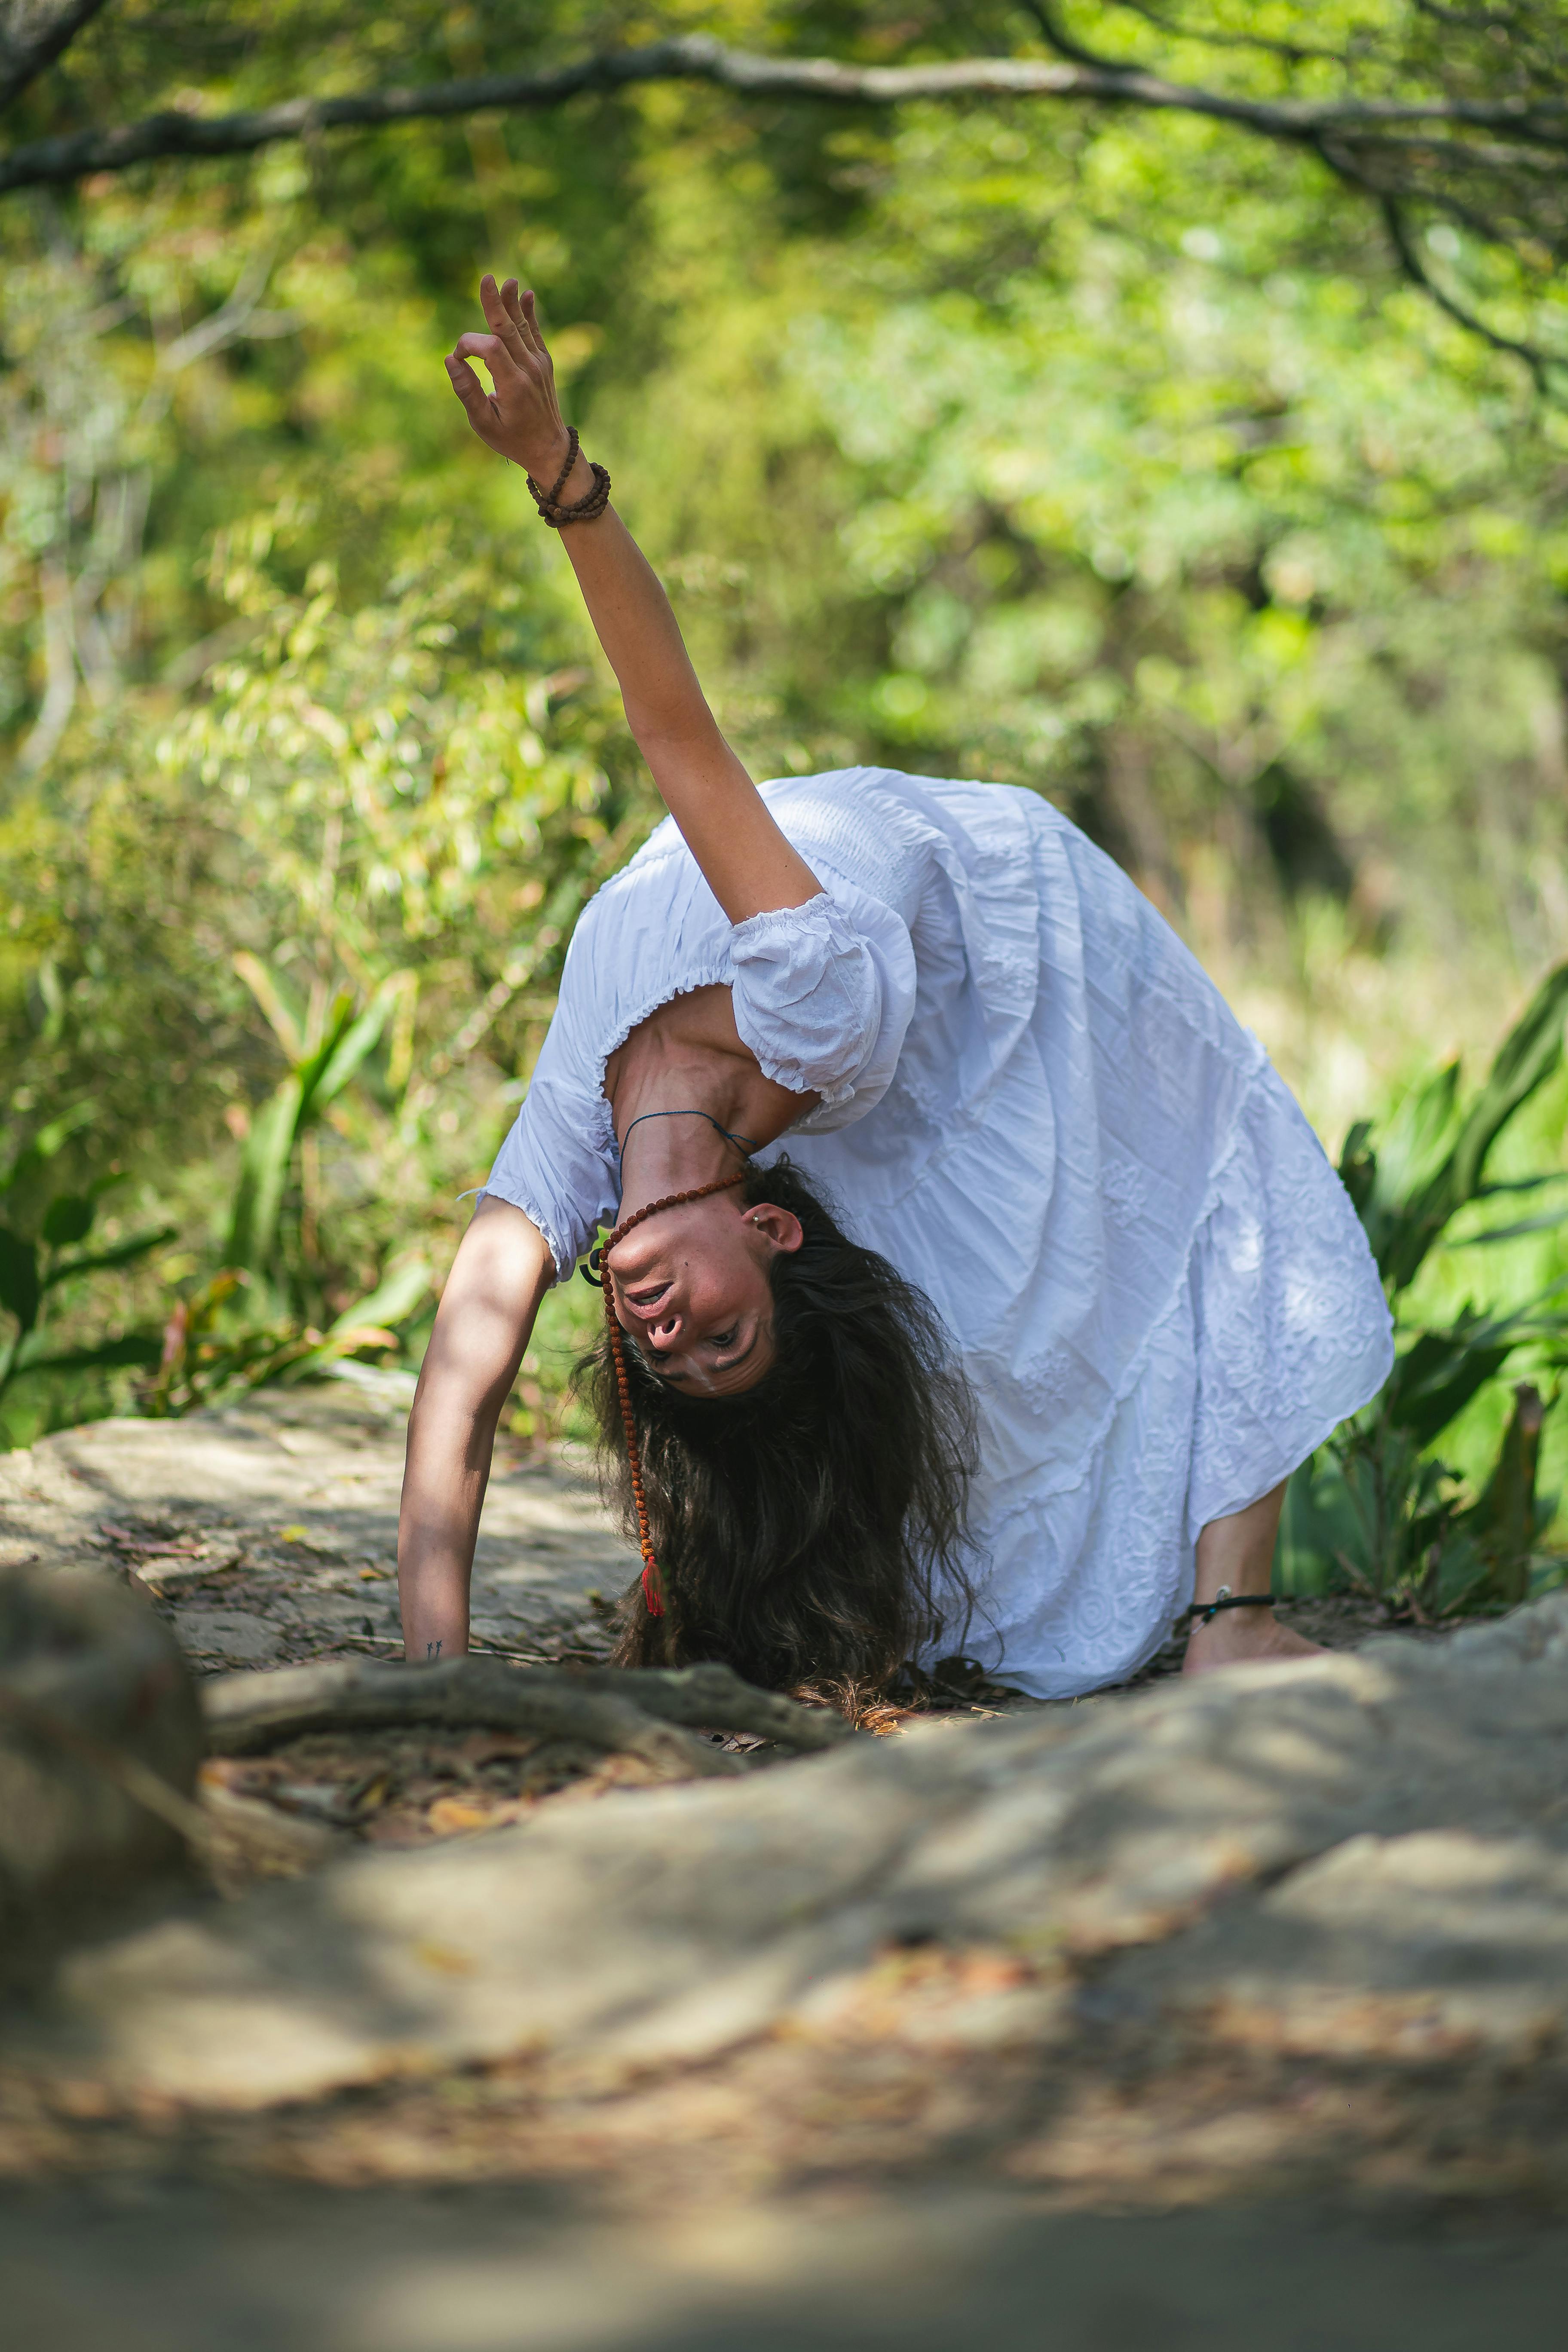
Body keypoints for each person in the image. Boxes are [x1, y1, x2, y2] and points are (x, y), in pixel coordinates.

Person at [397, 273, 1393, 1704]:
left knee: (1202, 1171)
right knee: (1120, 1214)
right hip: (1000, 922)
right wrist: (561, 477)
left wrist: (436, 1678)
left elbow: (462, 1376)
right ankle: (1093, 1598)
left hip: (980, 958)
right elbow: (677, 739)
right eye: (723, 1339)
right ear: (768, 1232)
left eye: (668, 1359)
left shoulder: (580, 1126)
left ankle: (1231, 1610)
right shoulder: (816, 1007)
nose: (669, 1339)